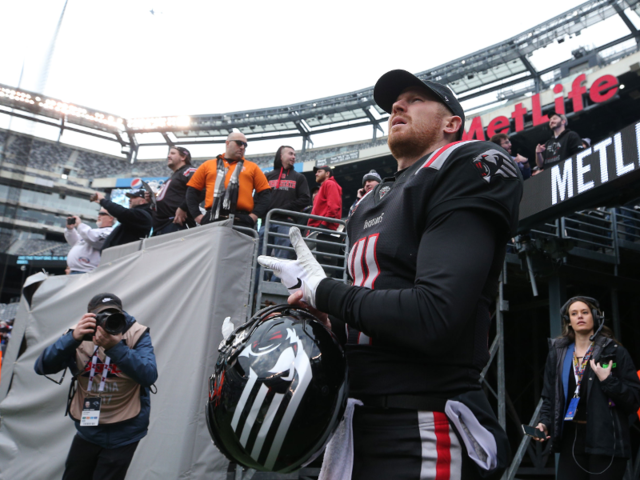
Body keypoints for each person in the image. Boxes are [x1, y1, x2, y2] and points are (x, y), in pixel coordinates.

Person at [259, 69, 523, 479]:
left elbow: (432, 315)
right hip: (353, 423)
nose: (398, 106)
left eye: (416, 100)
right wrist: (327, 326)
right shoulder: (369, 203)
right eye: (396, 103)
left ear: (451, 124)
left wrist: (325, 291)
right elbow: (373, 308)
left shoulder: (466, 163)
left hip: (424, 421)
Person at [34, 293, 157, 480]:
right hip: (88, 428)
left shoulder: (136, 333)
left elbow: (149, 375)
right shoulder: (79, 333)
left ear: (121, 315)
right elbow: (42, 367)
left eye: (113, 315)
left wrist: (116, 348)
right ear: (91, 316)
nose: (106, 322)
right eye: (101, 316)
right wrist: (72, 338)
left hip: (126, 430)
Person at [535, 296, 640, 479]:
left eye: (584, 312)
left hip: (606, 440)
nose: (579, 317)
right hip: (571, 439)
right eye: (574, 314)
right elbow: (550, 397)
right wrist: (545, 423)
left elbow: (633, 401)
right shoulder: (558, 354)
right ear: (569, 321)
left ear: (595, 317)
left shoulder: (614, 352)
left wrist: (608, 381)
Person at [185, 132, 271, 229]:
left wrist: (254, 216)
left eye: (245, 145)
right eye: (239, 143)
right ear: (227, 143)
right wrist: (197, 216)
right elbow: (191, 191)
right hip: (212, 219)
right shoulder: (208, 165)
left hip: (241, 220)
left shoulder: (253, 167)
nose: (242, 147)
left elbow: (265, 194)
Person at [151, 146, 197, 236]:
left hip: (176, 223)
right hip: (161, 226)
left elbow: (200, 189)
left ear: (183, 157)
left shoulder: (189, 171)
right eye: (169, 153)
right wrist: (151, 198)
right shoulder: (172, 178)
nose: (168, 156)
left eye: (172, 153)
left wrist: (184, 207)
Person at [64, 209, 114, 273]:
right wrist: (70, 229)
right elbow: (75, 242)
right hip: (75, 270)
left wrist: (80, 225)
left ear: (111, 218)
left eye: (102, 214)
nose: (99, 216)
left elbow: (93, 239)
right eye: (99, 214)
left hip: (88, 271)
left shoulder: (110, 232)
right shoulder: (94, 231)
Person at [307, 165, 342, 232]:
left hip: (323, 228)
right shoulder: (322, 188)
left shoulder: (330, 183)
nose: (316, 174)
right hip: (317, 227)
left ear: (327, 174)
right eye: (316, 172)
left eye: (319, 171)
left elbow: (333, 207)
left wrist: (323, 225)